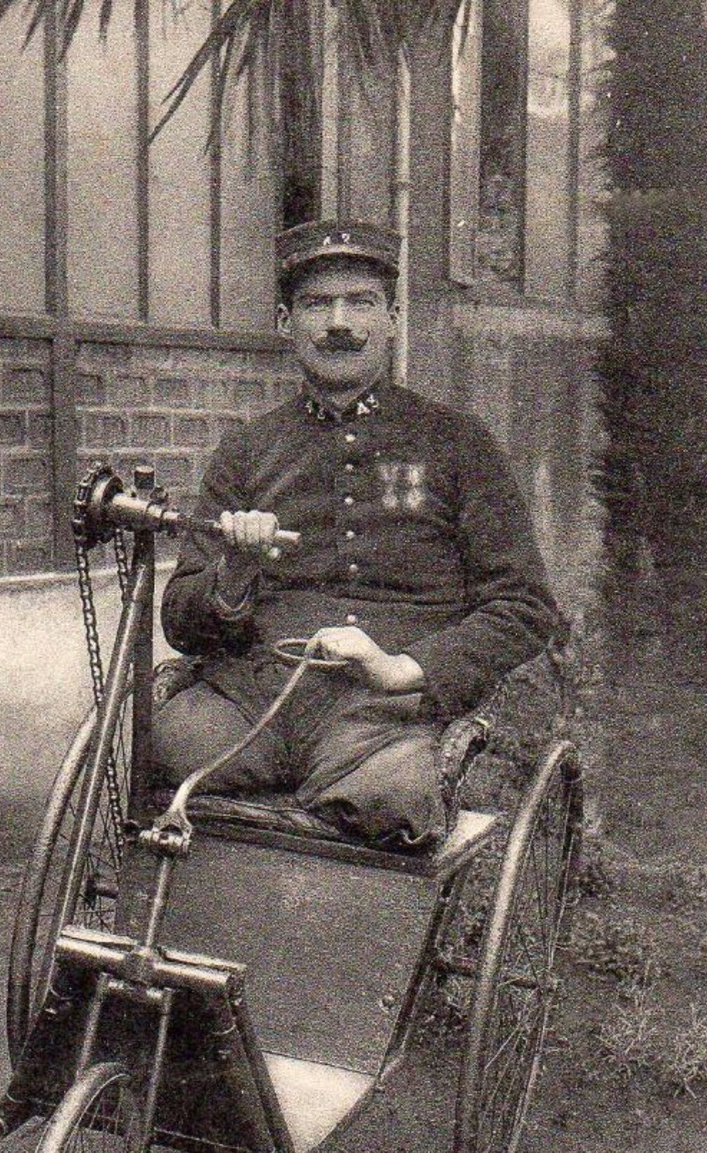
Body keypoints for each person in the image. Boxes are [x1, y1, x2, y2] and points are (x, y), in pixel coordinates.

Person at [152, 219, 560, 846]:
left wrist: (407, 668)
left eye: (361, 303)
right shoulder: (245, 452)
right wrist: (235, 573)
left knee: (388, 802)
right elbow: (180, 622)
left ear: (393, 318)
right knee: (143, 752)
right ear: (287, 324)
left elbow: (525, 608)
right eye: (317, 304)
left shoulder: (458, 444)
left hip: (383, 716)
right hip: (249, 701)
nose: (339, 323)